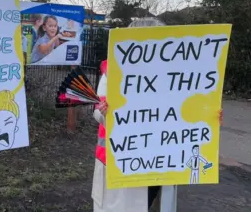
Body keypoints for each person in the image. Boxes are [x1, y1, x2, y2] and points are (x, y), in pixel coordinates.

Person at [91, 17, 224, 212]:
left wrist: (209, 118)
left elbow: (187, 113)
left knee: (150, 204)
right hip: (120, 163)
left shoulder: (176, 74)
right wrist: (106, 111)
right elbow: (98, 113)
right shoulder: (113, 71)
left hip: (158, 164)